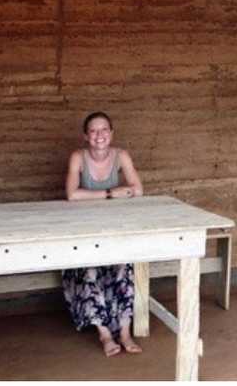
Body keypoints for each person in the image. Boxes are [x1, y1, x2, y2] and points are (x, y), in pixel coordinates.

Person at [63, 111, 145, 357]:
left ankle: (124, 332)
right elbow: (71, 194)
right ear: (86, 136)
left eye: (104, 130)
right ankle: (105, 335)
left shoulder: (121, 156)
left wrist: (123, 192)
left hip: (114, 226)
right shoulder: (78, 157)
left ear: (112, 132)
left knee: (123, 266)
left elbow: (138, 190)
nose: (99, 135)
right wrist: (111, 193)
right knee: (88, 269)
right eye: (93, 131)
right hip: (83, 227)